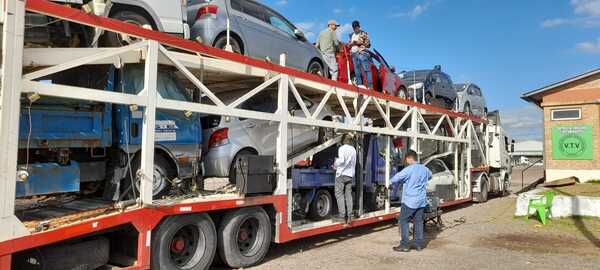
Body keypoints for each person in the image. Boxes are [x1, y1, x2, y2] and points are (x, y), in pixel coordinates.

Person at [390, 150, 432, 252]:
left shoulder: (409, 169)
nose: (406, 161)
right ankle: (418, 244)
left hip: (410, 201)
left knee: (403, 220)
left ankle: (404, 245)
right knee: (418, 221)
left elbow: (397, 177)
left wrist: (389, 182)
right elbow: (430, 176)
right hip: (421, 201)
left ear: (409, 158)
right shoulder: (425, 169)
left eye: (406, 160)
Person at [333, 134, 357, 224]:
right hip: (350, 175)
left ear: (343, 141)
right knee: (348, 196)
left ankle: (342, 217)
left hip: (341, 175)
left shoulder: (342, 148)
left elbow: (341, 160)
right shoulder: (354, 150)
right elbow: (354, 163)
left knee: (339, 195)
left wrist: (335, 164)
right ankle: (350, 217)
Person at [349, 20, 373, 89]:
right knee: (357, 72)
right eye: (354, 27)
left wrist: (359, 42)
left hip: (362, 53)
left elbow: (368, 45)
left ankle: (370, 86)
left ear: (359, 27)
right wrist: (350, 44)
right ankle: (359, 86)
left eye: (356, 27)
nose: (355, 29)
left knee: (366, 70)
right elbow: (349, 44)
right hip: (354, 54)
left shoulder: (363, 33)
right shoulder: (351, 35)